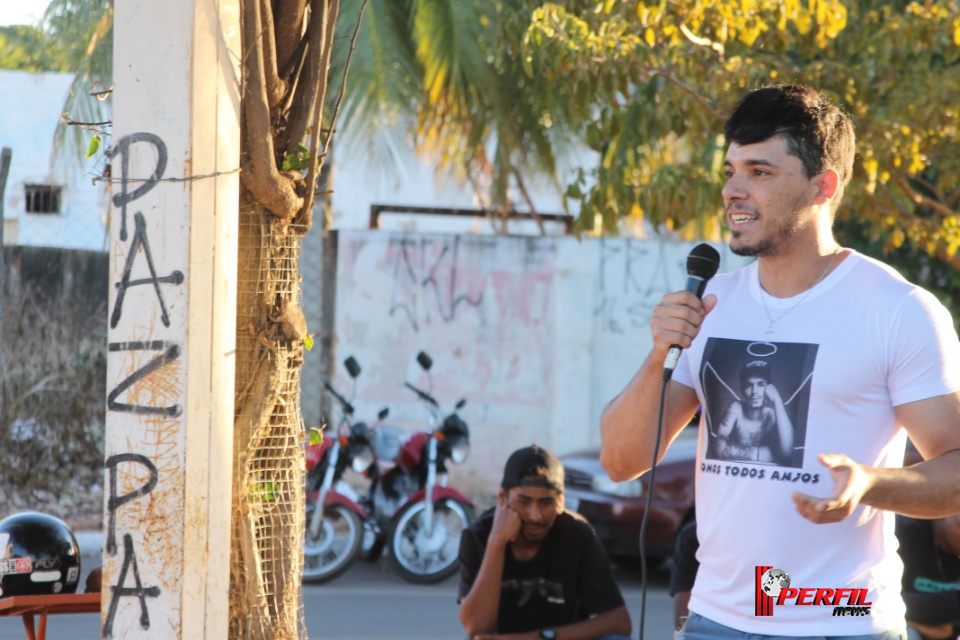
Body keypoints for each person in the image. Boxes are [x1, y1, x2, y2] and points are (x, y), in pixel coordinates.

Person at [600, 84, 960, 639]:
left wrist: (868, 484)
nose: (734, 191)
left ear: (823, 186)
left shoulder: (898, 310)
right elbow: (622, 460)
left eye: (760, 172)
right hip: (714, 621)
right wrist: (657, 357)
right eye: (730, 171)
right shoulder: (711, 303)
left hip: (843, 624)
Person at [457, 445, 632, 640]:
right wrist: (496, 543)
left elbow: (620, 622)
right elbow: (475, 627)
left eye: (546, 503)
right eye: (524, 502)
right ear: (502, 498)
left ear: (560, 501)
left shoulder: (578, 535)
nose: (535, 516)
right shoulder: (478, 536)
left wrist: (540, 637)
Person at [715, 359, 794, 464]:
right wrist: (765, 454)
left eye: (761, 384)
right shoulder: (736, 408)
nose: (754, 391)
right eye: (749, 385)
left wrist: (777, 400)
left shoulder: (773, 416)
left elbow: (788, 452)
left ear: (770, 388)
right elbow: (718, 448)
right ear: (742, 389)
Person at [896, 513, 960, 640]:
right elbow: (882, 602)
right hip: (907, 626)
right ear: (943, 513)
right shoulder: (903, 531)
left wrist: (953, 627)